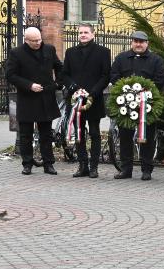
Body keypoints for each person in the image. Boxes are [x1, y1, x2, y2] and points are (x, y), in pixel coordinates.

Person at [110, 30, 164, 181]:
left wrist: (147, 93)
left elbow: (160, 80)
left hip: (148, 104)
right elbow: (114, 76)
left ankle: (147, 170)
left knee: (147, 138)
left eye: (141, 42)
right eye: (135, 41)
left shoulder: (156, 60)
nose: (138, 44)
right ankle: (125, 170)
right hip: (125, 104)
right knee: (125, 137)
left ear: (147, 43)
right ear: (132, 43)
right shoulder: (121, 58)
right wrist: (125, 91)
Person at [6, 27, 64, 175]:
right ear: (26, 40)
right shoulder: (17, 53)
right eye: (34, 41)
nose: (38, 43)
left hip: (46, 97)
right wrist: (29, 85)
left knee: (46, 134)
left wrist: (57, 84)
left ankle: (48, 164)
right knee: (26, 134)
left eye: (39, 39)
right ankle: (27, 164)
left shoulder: (49, 49)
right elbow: (11, 75)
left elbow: (59, 67)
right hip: (27, 98)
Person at [62, 23, 111, 178]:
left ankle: (94, 167)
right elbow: (64, 74)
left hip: (93, 99)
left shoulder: (103, 52)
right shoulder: (70, 52)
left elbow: (105, 75)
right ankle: (82, 165)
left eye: (86, 32)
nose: (83, 35)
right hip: (75, 99)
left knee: (95, 133)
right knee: (79, 133)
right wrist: (74, 88)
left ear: (93, 34)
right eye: (81, 32)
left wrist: (92, 93)